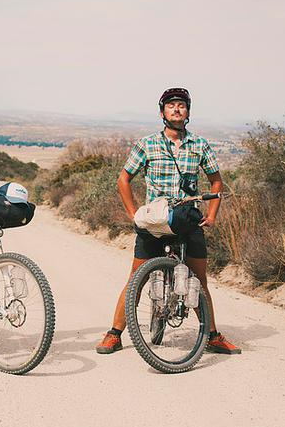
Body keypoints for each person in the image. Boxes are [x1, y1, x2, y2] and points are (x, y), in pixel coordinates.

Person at [95, 87, 241, 355]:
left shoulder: (200, 145)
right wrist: (133, 214)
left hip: (188, 218)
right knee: (135, 279)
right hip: (155, 221)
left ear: (188, 112)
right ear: (162, 112)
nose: (177, 109)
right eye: (171, 105)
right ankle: (114, 334)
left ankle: (211, 335)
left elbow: (216, 180)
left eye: (182, 106)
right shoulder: (148, 144)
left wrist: (212, 214)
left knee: (199, 281)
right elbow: (123, 179)